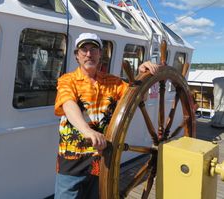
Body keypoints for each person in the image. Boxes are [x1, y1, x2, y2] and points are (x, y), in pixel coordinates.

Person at [54, 33, 160, 198]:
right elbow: (68, 104)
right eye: (84, 50)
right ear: (77, 55)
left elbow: (140, 96)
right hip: (72, 160)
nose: (89, 54)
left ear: (100, 54)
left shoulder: (114, 82)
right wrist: (87, 131)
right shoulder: (67, 80)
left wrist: (142, 75)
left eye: (94, 49)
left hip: (101, 159)